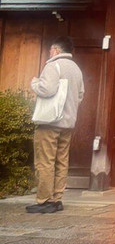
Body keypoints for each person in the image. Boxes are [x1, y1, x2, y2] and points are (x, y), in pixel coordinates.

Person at [26, 36, 85, 214]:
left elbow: (46, 89)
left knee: (45, 161)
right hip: (67, 123)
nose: (49, 53)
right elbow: (80, 95)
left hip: (50, 122)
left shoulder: (53, 65)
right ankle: (57, 199)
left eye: (51, 50)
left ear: (56, 50)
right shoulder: (76, 69)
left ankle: (45, 199)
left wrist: (34, 82)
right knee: (61, 161)